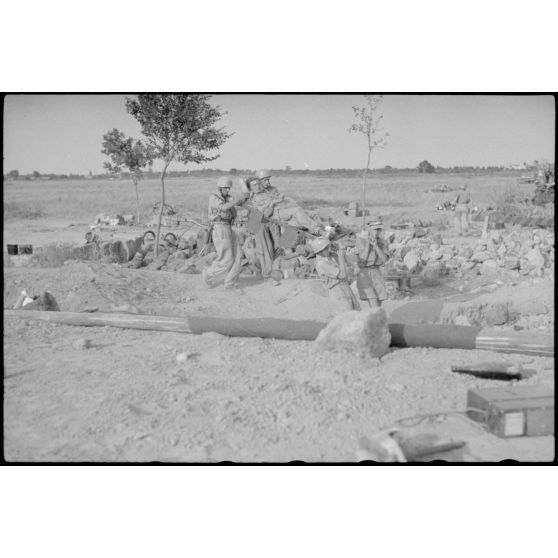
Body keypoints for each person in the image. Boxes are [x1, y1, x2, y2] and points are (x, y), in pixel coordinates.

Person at [202, 176, 248, 289]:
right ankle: (208, 273)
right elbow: (223, 208)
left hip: (229, 228)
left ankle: (230, 281)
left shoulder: (229, 198)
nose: (228, 190)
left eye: (229, 188)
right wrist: (237, 200)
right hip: (219, 228)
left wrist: (244, 199)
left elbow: (235, 207)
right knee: (227, 258)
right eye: (226, 188)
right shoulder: (214, 198)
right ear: (220, 188)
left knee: (238, 254)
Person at [312, 236, 360, 313]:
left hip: (345, 286)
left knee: (356, 311)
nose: (329, 249)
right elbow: (342, 275)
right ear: (320, 251)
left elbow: (348, 262)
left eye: (329, 247)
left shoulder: (329, 256)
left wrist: (341, 250)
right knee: (347, 316)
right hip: (336, 290)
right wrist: (340, 257)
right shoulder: (321, 263)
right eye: (327, 248)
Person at [354, 220, 389, 308]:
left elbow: (384, 259)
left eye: (379, 230)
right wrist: (368, 245)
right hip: (365, 272)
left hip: (377, 272)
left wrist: (376, 246)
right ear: (369, 230)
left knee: (378, 303)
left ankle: (375, 321)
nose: (377, 232)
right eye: (375, 230)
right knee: (373, 302)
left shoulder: (383, 242)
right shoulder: (360, 240)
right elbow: (362, 261)